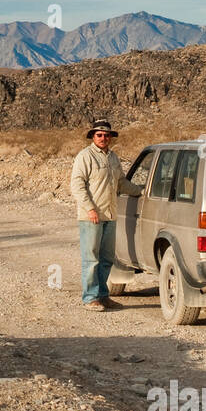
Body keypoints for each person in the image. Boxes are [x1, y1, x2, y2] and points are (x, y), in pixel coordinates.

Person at [71, 118, 143, 311]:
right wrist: (90, 209)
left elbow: (121, 183)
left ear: (111, 137)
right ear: (93, 136)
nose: (103, 138)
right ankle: (90, 298)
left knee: (106, 259)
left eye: (106, 135)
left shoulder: (113, 158)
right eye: (99, 135)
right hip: (91, 217)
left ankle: (103, 296)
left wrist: (141, 191)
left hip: (110, 215)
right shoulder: (84, 156)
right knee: (91, 259)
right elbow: (77, 186)